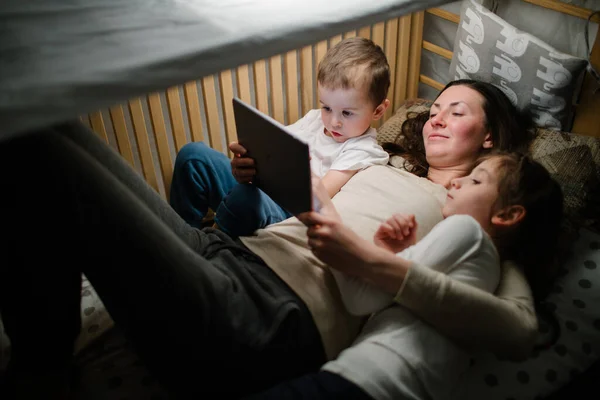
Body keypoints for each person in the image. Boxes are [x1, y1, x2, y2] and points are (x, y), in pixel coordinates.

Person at [0, 79, 537, 400]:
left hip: (266, 313)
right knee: (46, 124)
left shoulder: (477, 221)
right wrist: (258, 174)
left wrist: (378, 265)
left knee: (34, 148)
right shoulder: (391, 163)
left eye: (456, 111)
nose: (435, 119)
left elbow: (518, 330)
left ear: (489, 138)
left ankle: (41, 368)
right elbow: (314, 203)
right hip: (228, 252)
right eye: (435, 108)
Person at [244, 152, 564, 400]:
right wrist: (387, 252)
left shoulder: (466, 230)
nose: (456, 182)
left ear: (507, 215)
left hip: (365, 381)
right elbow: (363, 300)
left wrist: (324, 209)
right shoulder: (488, 275)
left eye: (475, 181)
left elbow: (362, 297)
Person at [169, 37, 391, 236]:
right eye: (326, 108)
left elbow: (317, 199)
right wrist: (247, 162)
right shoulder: (314, 119)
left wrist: (299, 171)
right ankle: (182, 237)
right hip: (261, 186)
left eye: (347, 113)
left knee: (244, 198)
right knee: (193, 157)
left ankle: (206, 247)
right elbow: (276, 146)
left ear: (378, 111)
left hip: (287, 212)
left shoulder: (363, 149)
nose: (334, 121)